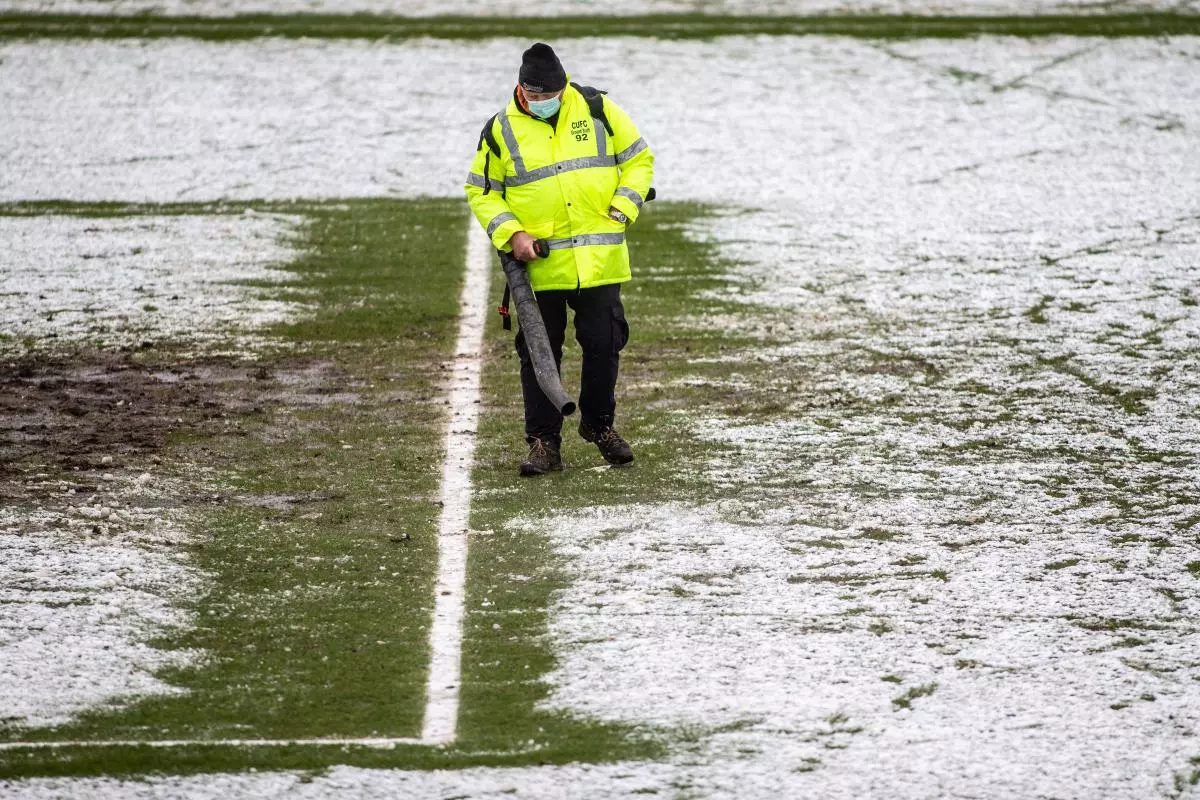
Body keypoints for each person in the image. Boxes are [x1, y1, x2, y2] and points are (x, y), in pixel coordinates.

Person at [464, 43, 655, 477]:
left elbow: (639, 159)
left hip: (599, 262)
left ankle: (599, 425)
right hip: (540, 269)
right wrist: (513, 234)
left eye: (550, 94)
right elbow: (481, 191)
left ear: (563, 85)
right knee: (539, 354)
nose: (543, 101)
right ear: (521, 89)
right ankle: (543, 443)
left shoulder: (598, 109)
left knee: (605, 344)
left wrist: (624, 206)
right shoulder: (500, 129)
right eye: (535, 96)